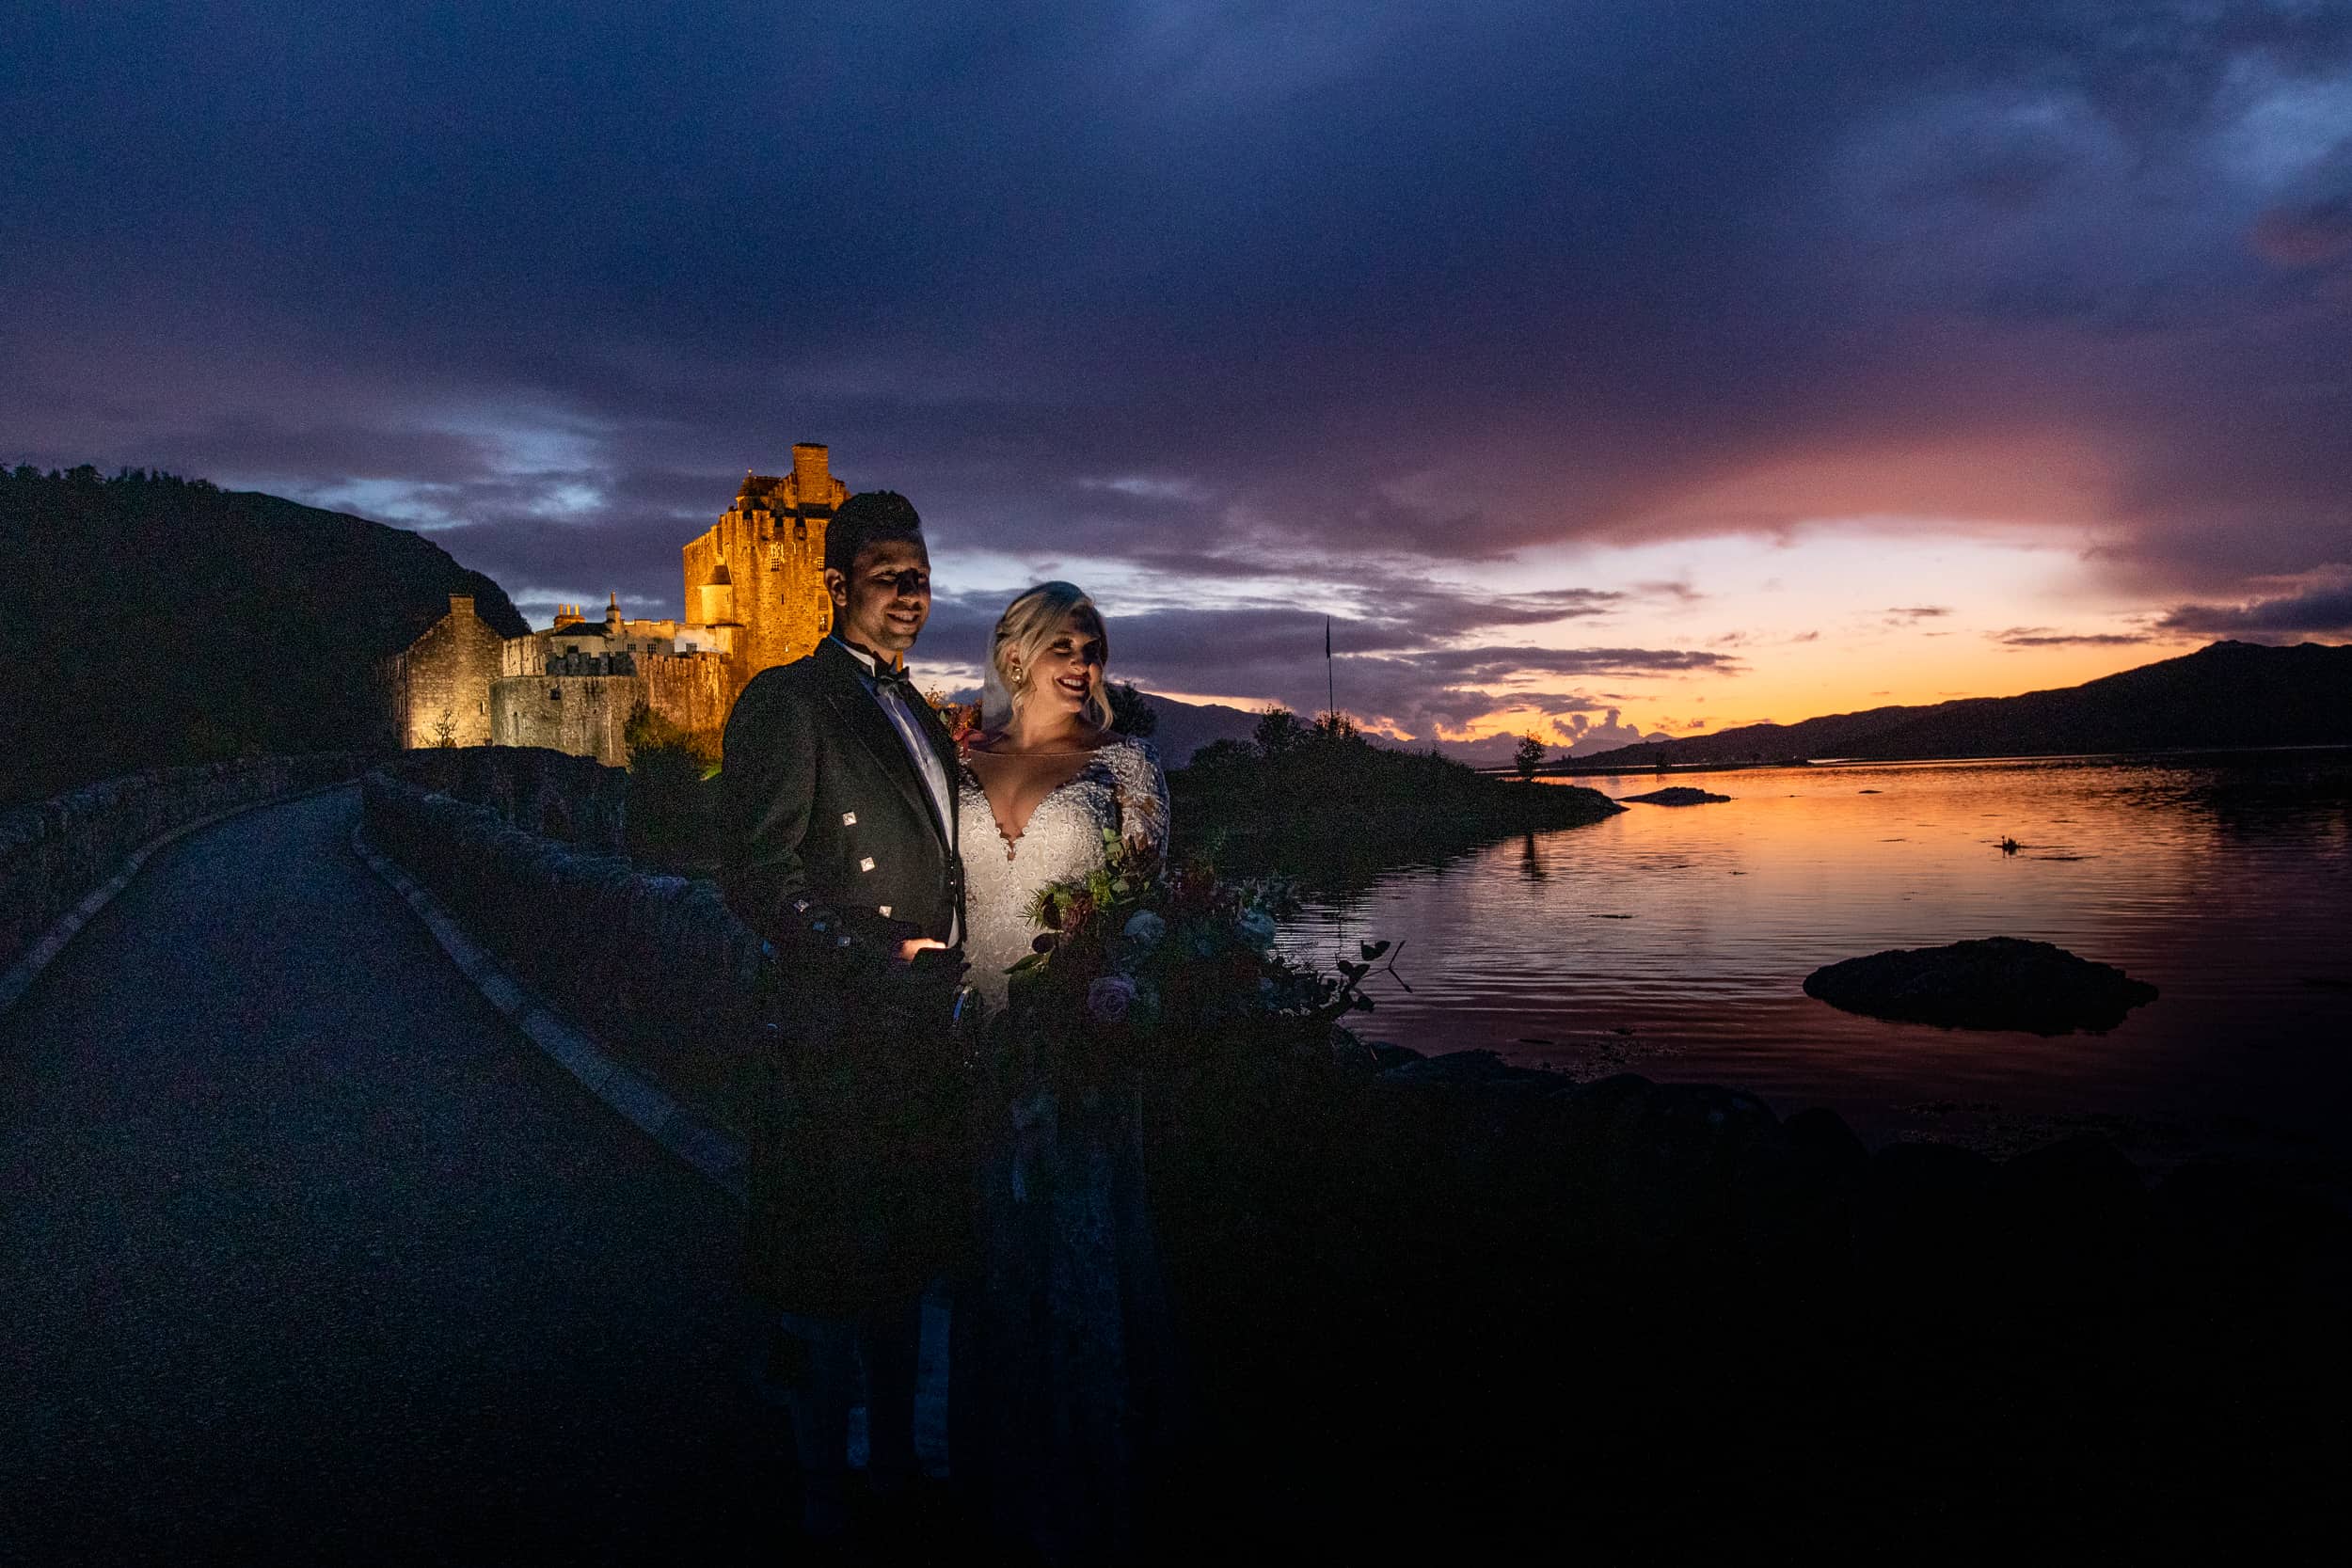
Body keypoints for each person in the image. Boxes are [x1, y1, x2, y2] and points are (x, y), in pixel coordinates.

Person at [717, 490, 969, 1543]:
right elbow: (755, 877)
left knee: (910, 1260)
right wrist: (878, 954)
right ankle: (832, 1491)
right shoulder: (788, 701)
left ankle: (899, 1464)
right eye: (887, 577)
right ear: (835, 586)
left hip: (926, 1037)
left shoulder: (919, 710)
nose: (911, 595)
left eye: (919, 575)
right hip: (845, 1037)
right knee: (836, 1275)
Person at [956, 581, 1178, 1562]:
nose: (1082, 659)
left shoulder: (1125, 768)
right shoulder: (958, 767)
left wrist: (1090, 1026)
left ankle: (1096, 1498)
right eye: (1061, 643)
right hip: (976, 1059)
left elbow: (1146, 919)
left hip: (1083, 1062)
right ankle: (999, 1490)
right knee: (995, 1271)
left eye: (1092, 643)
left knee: (1081, 1267)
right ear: (1016, 657)